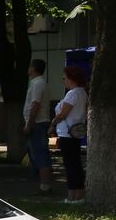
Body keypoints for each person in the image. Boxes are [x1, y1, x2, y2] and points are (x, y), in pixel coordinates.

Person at [52, 65, 89, 202]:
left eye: (65, 78)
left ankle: (73, 196)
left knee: (70, 165)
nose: (63, 80)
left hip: (67, 133)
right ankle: (77, 195)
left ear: (72, 79)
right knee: (75, 164)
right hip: (75, 132)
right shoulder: (82, 92)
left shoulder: (73, 93)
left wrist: (53, 122)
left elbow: (63, 114)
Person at [22, 59, 53, 194]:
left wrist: (30, 123)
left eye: (29, 66)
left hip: (38, 123)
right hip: (38, 123)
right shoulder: (36, 83)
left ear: (33, 68)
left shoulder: (38, 83)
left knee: (40, 154)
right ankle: (43, 184)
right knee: (36, 154)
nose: (28, 68)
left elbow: (35, 104)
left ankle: (45, 186)